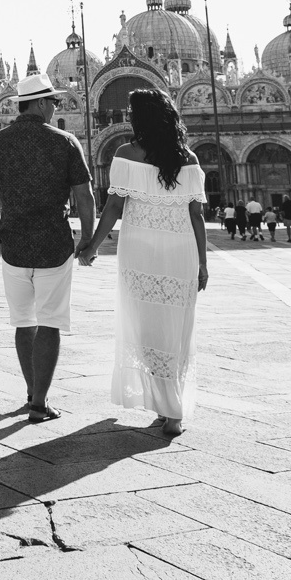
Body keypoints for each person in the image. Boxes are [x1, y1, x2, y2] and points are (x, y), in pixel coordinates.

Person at [0, 72, 95, 424]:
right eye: (54, 101)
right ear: (41, 103)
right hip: (54, 244)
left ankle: (31, 393)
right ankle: (40, 403)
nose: (57, 106)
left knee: (23, 323)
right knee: (50, 323)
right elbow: (84, 195)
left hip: (12, 245)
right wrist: (87, 239)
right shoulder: (65, 142)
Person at [85, 89, 207, 437]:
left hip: (139, 250)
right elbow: (196, 215)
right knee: (176, 328)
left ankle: (170, 407)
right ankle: (168, 406)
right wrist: (202, 263)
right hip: (181, 250)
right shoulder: (189, 158)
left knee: (144, 326)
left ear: (139, 118)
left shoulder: (127, 153)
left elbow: (113, 207)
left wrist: (92, 247)